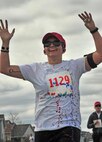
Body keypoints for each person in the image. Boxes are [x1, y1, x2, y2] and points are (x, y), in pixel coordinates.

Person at [0, 11, 102, 142]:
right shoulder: (35, 70)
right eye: (47, 44)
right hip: (43, 128)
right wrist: (5, 43)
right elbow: (4, 68)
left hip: (68, 126)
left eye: (56, 43)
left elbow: (100, 54)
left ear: (63, 48)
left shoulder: (75, 66)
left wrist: (93, 30)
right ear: (44, 50)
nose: (51, 45)